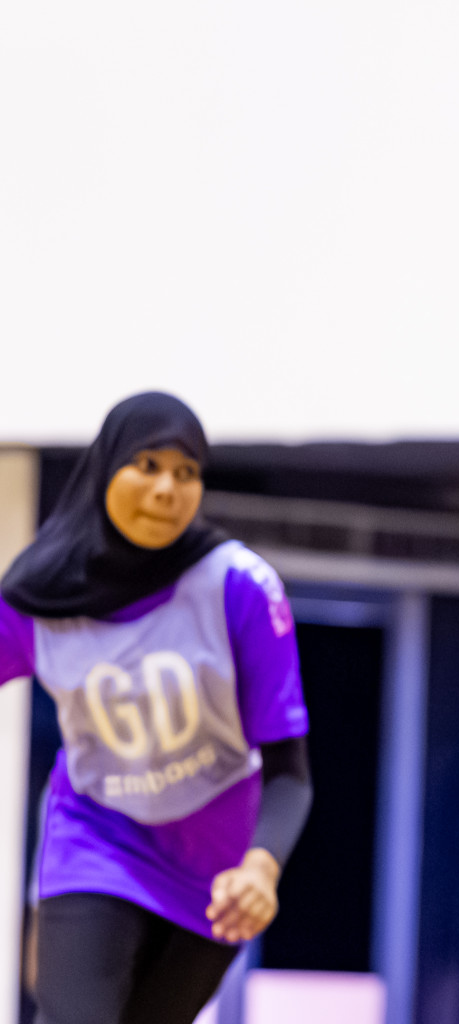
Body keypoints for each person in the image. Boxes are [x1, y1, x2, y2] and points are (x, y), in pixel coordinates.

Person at [0, 393, 313, 1024]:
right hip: (95, 837)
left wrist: (261, 868)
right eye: (147, 465)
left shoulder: (239, 587)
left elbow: (290, 774)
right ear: (106, 467)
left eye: (186, 471)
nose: (167, 488)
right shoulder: (38, 596)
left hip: (215, 871)